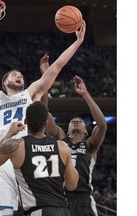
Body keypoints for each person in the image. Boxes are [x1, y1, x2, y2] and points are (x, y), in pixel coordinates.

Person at [0, 20, 86, 216]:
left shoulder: (30, 93)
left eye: (21, 75)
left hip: (28, 154)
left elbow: (57, 66)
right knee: (5, 213)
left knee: (37, 209)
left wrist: (77, 42)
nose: (19, 76)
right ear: (4, 83)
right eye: (14, 74)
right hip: (4, 157)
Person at [0, 101, 79, 216]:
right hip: (63, 211)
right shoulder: (62, 147)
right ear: (46, 123)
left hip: (37, 211)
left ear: (25, 122)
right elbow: (72, 185)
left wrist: (8, 135)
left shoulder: (16, 146)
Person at [43, 75, 107, 216]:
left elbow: (102, 124)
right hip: (60, 199)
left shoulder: (90, 144)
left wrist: (85, 94)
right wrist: (46, 80)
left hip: (83, 200)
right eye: (73, 121)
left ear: (86, 131)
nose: (76, 121)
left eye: (80, 121)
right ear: (67, 129)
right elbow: (44, 115)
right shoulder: (60, 139)